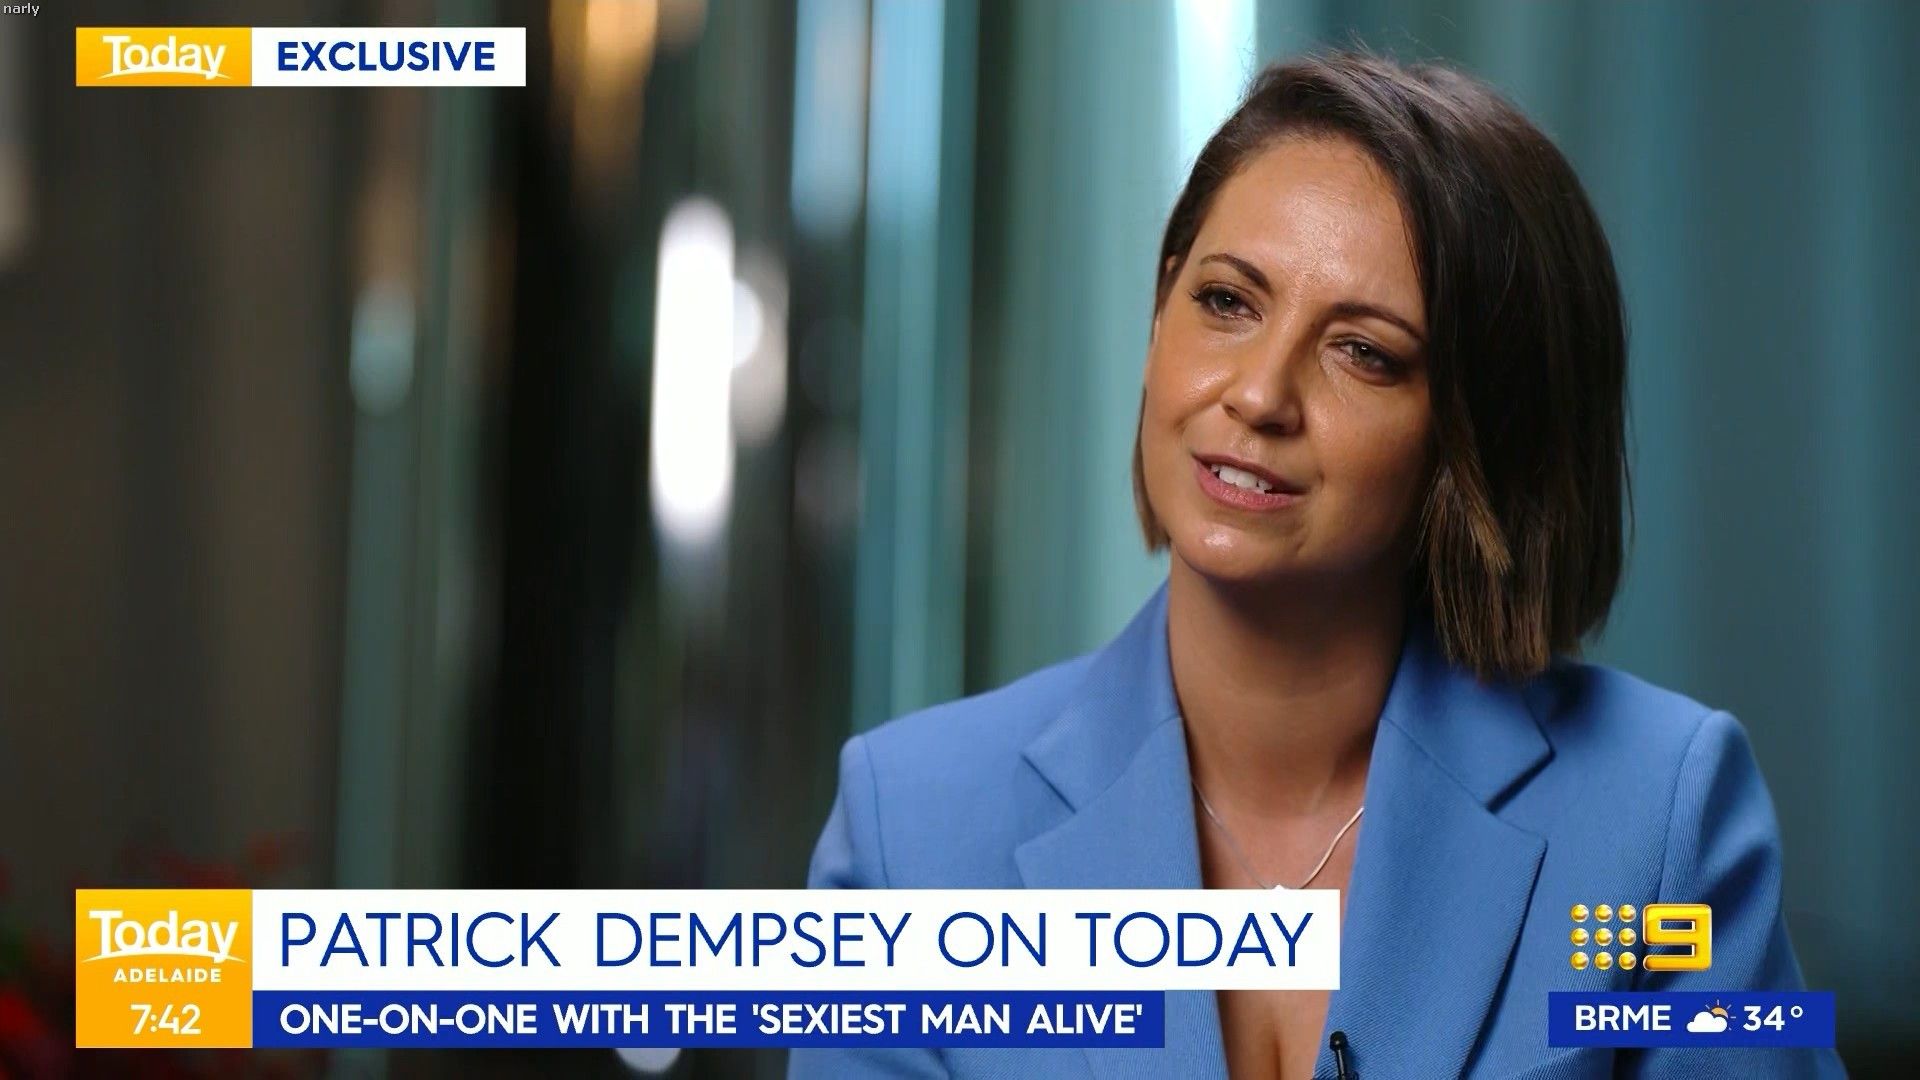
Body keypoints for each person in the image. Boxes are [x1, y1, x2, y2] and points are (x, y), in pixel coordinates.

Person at [792, 52, 1844, 1080]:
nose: (1259, 395)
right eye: (1227, 302)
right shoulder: (909, 829)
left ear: (1478, 438)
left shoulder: (1661, 817)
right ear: (1158, 316)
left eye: (1364, 352)